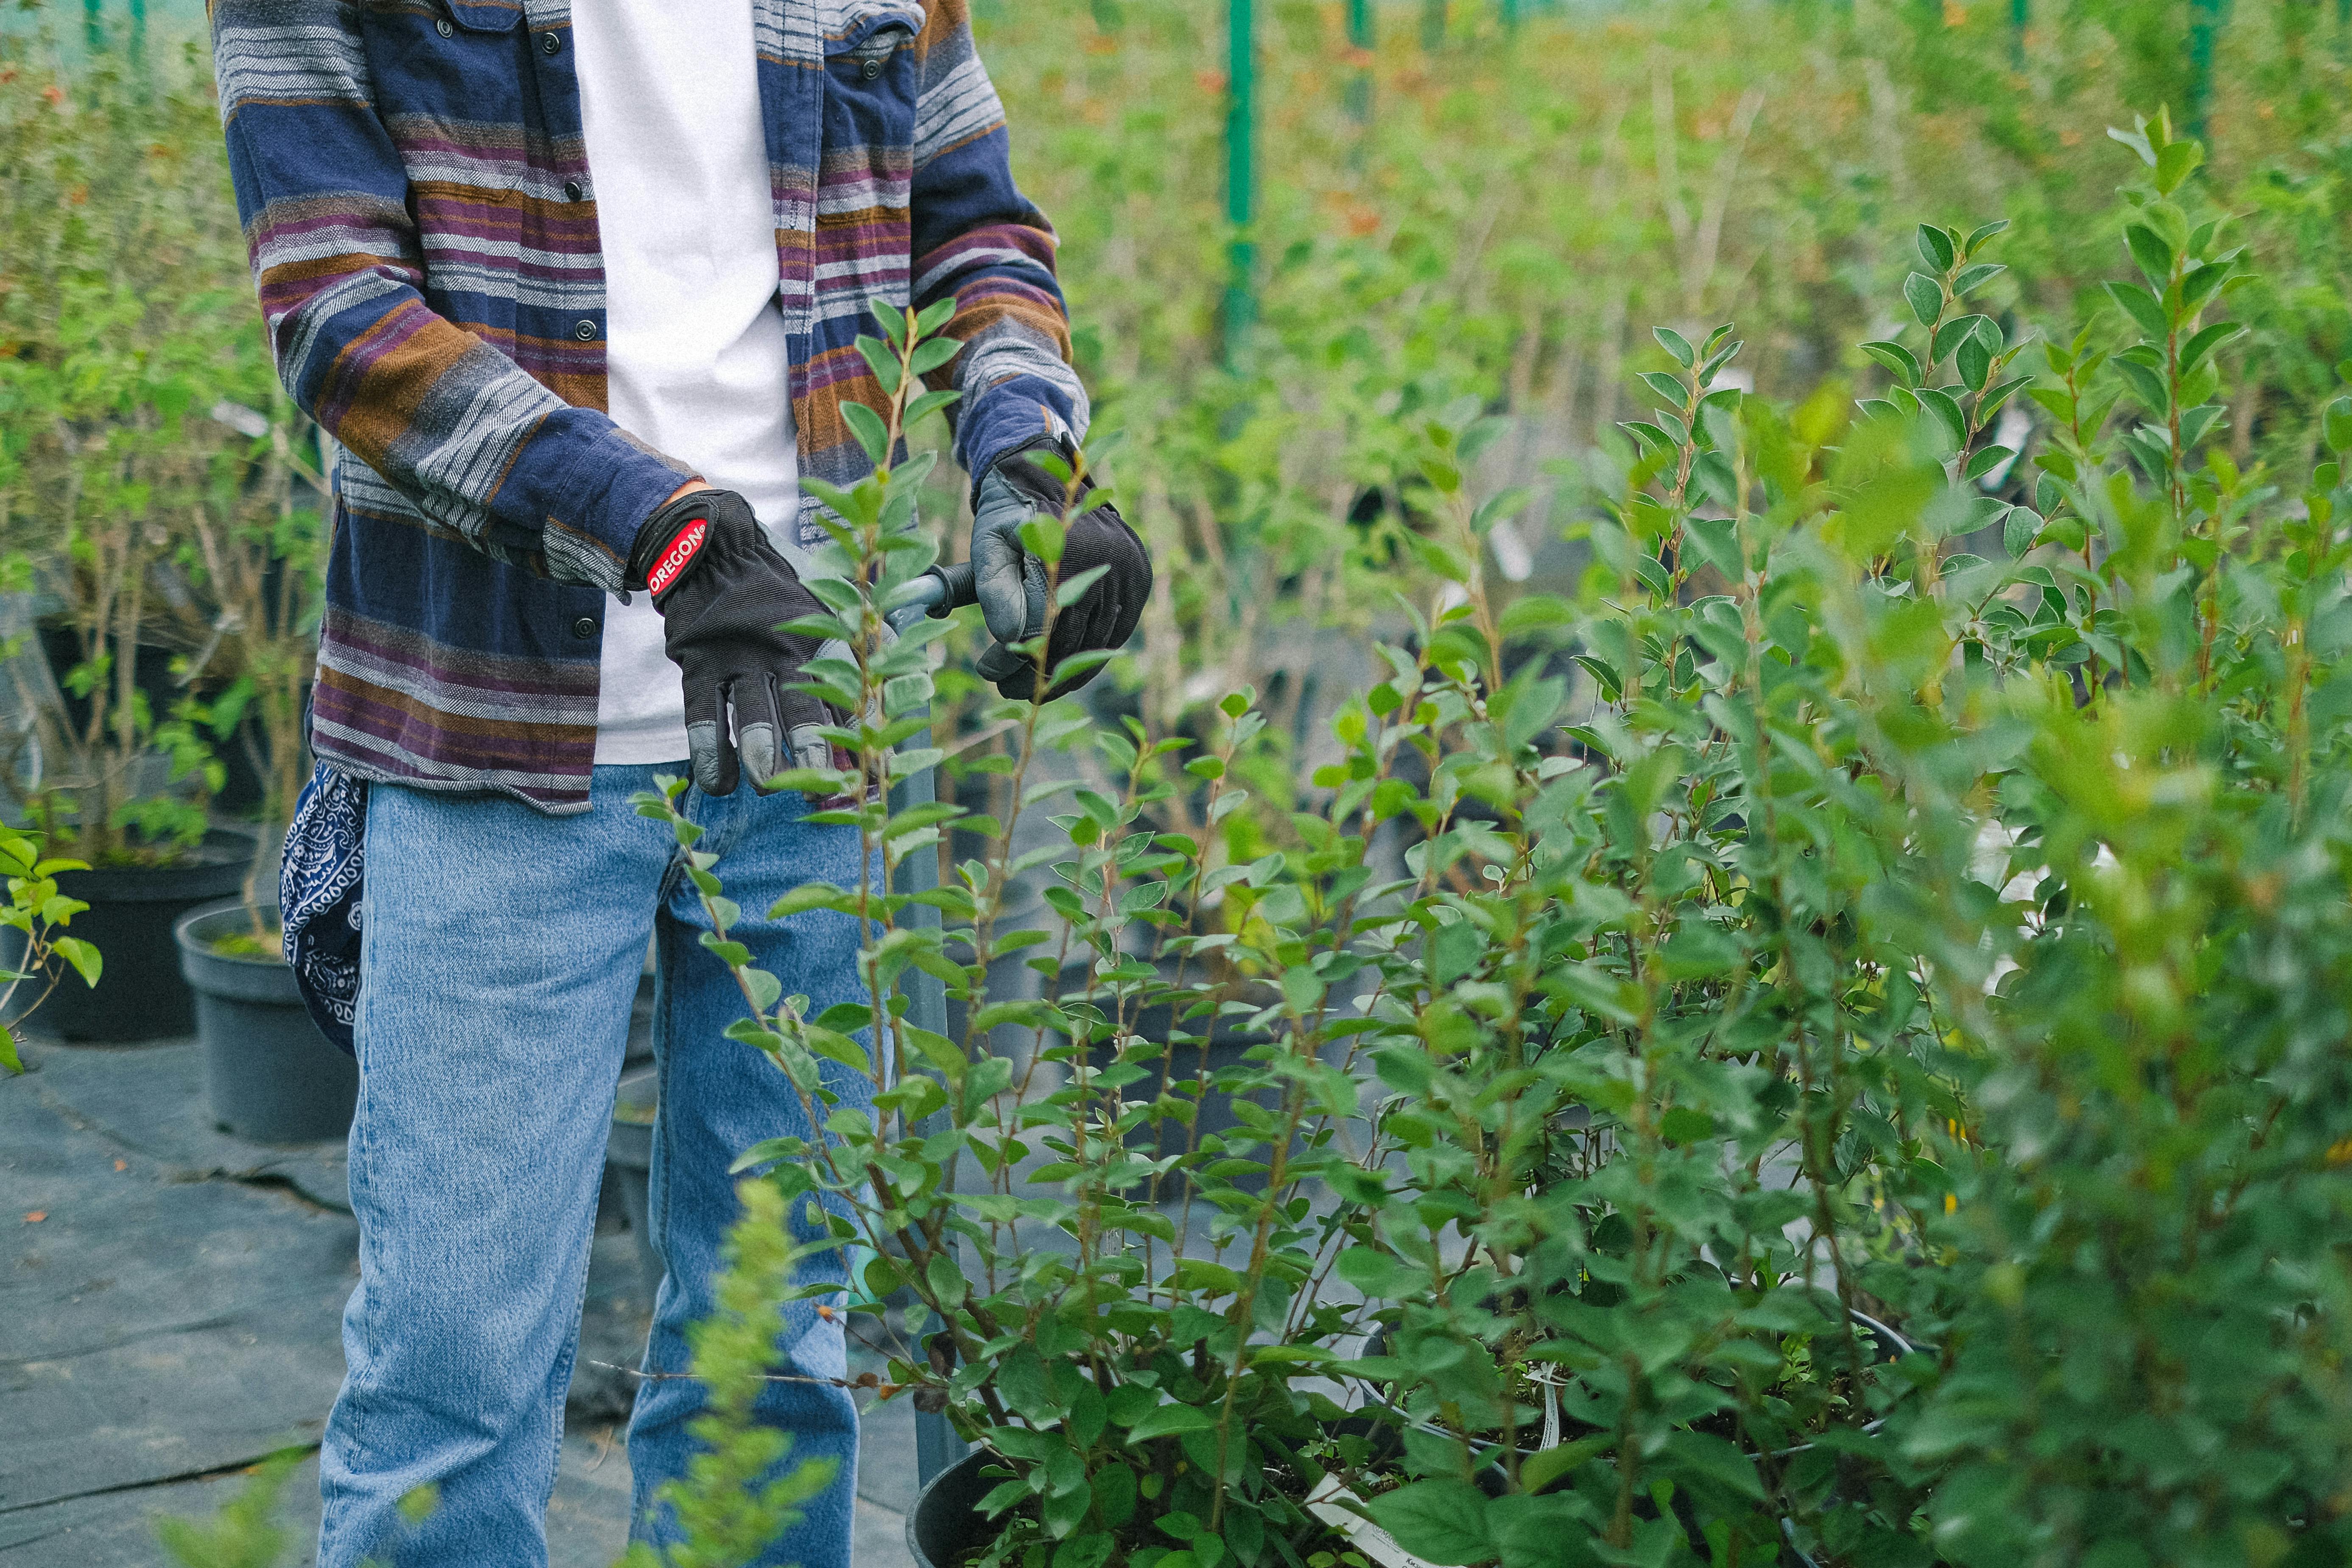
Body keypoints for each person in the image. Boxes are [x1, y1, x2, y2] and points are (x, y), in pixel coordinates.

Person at [208, 0, 1150, 1562]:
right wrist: (662, 522)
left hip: (818, 726)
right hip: (486, 737)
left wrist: (1027, 463)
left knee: (772, 1354)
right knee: (454, 1371)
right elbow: (338, 313)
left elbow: (979, 233)